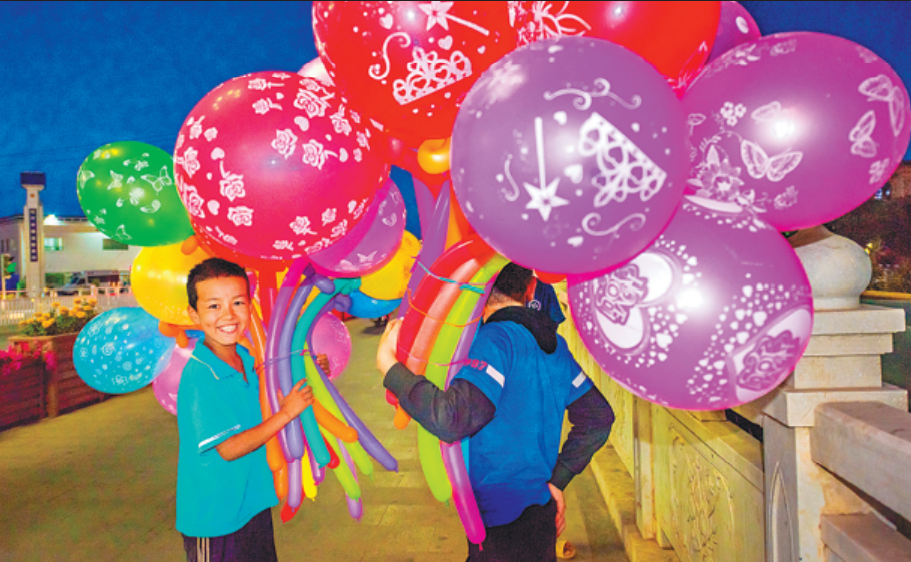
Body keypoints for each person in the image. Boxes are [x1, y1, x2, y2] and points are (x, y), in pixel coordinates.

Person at [376, 262, 615, 561]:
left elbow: (452, 419)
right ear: (530, 287)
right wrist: (558, 480)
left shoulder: (495, 340)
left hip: (500, 523)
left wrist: (391, 369)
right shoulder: (556, 347)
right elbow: (598, 418)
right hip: (539, 513)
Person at [176, 257, 316, 562]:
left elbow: (262, 405)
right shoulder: (201, 375)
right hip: (215, 519)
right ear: (193, 314)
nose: (228, 315)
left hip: (252, 503)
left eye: (237, 302)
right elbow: (228, 448)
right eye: (213, 306)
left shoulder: (246, 360)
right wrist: (286, 414)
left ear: (250, 306)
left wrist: (311, 372)